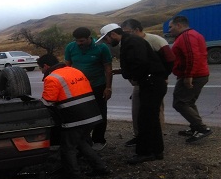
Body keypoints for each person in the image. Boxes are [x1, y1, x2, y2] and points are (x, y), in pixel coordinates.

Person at [97, 23, 168, 164]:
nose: (107, 43)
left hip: (151, 83)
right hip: (152, 82)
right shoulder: (130, 41)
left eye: (106, 39)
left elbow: (139, 63)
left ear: (112, 34)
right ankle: (157, 151)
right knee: (151, 119)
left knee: (145, 120)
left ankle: (145, 152)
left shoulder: (131, 42)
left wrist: (126, 73)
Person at [38, 53, 108, 179]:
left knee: (67, 148)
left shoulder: (52, 78)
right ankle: (101, 168)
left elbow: (48, 102)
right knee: (82, 143)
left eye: (41, 68)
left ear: (46, 66)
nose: (42, 71)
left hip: (75, 119)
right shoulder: (74, 70)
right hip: (92, 114)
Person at [120, 19, 176, 147]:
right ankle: (140, 136)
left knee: (153, 111)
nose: (125, 35)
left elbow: (170, 59)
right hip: (140, 82)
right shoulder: (130, 42)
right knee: (138, 110)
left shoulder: (155, 40)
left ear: (136, 30)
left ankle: (155, 138)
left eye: (127, 32)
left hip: (154, 80)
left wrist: (163, 75)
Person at [64, 27, 113, 151]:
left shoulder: (101, 47)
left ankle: (99, 140)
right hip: (78, 87)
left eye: (82, 41)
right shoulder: (70, 47)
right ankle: (85, 140)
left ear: (89, 37)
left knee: (100, 113)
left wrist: (108, 88)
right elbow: (67, 67)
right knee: (81, 113)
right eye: (77, 41)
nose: (79, 43)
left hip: (98, 85)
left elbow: (108, 69)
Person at [168, 15, 213, 142]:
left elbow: (192, 57)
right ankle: (195, 127)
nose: (169, 30)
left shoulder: (187, 36)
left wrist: (188, 76)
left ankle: (201, 128)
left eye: (171, 27)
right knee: (188, 102)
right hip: (197, 74)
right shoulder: (192, 35)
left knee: (180, 103)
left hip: (194, 75)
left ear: (179, 25)